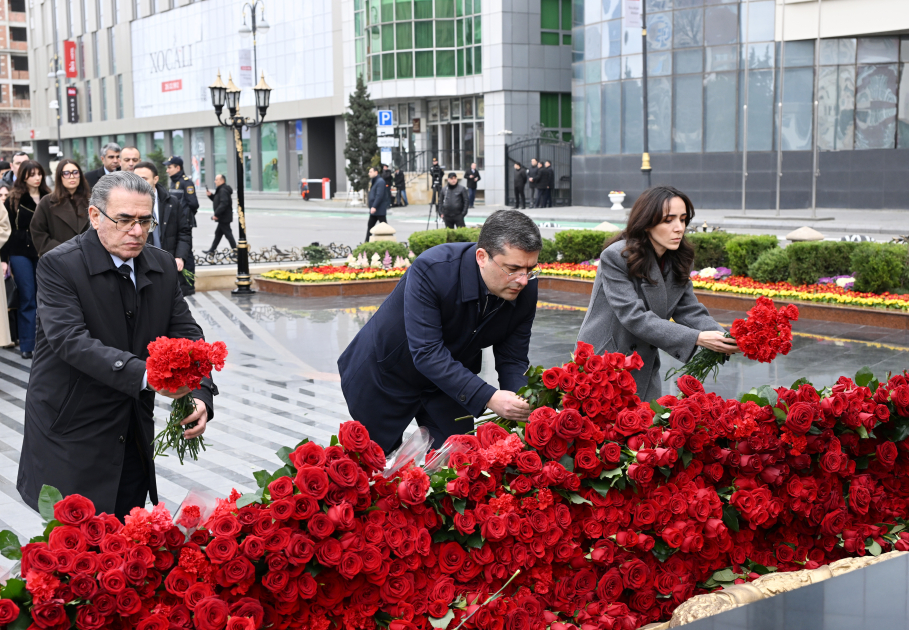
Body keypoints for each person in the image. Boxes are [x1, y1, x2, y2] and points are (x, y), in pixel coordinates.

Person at [16, 171, 217, 520]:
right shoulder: (60, 266)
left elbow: (187, 333)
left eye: (145, 220)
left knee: (128, 543)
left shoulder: (162, 264)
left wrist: (200, 392)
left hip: (132, 429)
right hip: (72, 429)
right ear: (95, 216)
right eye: (124, 220)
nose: (137, 232)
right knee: (74, 552)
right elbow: (70, 341)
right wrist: (150, 376)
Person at [338, 209, 542, 452]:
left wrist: (522, 403)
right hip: (384, 375)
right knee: (376, 469)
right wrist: (489, 397)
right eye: (513, 268)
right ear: (481, 257)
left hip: (449, 383)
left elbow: (512, 358)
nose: (523, 280)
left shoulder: (524, 288)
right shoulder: (433, 269)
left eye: (530, 269)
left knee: (459, 464)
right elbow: (427, 352)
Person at [577, 186, 740, 402]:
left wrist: (725, 338)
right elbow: (634, 317)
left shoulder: (677, 259)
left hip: (643, 363)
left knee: (645, 428)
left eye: (683, 219)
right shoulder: (616, 257)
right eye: (668, 220)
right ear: (646, 223)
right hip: (605, 362)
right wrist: (698, 338)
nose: (679, 228)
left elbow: (689, 310)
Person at [2, 160, 50, 359]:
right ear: (23, 176)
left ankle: (47, 343)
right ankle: (27, 344)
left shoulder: (49, 196)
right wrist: (4, 258)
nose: (36, 178)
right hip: (20, 250)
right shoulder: (13, 198)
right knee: (27, 297)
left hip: (45, 250)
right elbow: (6, 229)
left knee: (46, 297)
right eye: (31, 174)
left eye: (39, 173)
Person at [133, 162, 193, 287]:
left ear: (155, 179)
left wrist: (179, 257)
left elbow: (184, 232)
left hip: (168, 264)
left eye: (144, 179)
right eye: (136, 179)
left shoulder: (172, 202)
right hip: (142, 265)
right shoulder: (128, 204)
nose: (139, 182)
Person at [30, 159, 91, 257]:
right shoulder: (47, 202)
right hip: (59, 258)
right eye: (66, 173)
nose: (72, 176)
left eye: (75, 172)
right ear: (60, 177)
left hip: (87, 257)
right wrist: (61, 250)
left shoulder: (91, 201)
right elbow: (38, 232)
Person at [205, 173, 237, 253]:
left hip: (224, 217)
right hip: (223, 217)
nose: (215, 181)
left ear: (222, 181)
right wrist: (211, 196)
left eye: (216, 180)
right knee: (218, 234)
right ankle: (212, 250)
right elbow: (218, 201)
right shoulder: (221, 189)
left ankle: (237, 252)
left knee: (228, 234)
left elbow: (224, 203)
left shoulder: (223, 190)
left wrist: (216, 214)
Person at [164, 156, 199, 227]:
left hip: (184, 221)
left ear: (178, 168)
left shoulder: (187, 182)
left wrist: (186, 214)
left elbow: (194, 204)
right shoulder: (173, 182)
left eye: (169, 167)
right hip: (174, 220)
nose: (167, 170)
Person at [365, 166, 389, 242]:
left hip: (379, 209)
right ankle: (366, 243)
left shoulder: (380, 181)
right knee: (370, 226)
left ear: (376, 172)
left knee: (385, 227)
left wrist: (374, 206)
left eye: (370, 172)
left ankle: (389, 242)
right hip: (375, 211)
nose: (369, 173)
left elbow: (379, 195)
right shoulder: (375, 181)